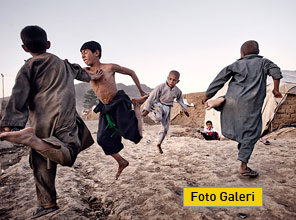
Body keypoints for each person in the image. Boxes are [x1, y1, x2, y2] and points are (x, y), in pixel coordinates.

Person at [0, 26, 102, 218]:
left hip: (40, 121)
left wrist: (11, 123)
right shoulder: (63, 64)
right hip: (65, 119)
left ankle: (47, 205)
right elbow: (80, 72)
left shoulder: (28, 67)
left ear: (24, 48)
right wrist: (94, 76)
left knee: (41, 162)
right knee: (69, 151)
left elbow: (19, 94)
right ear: (48, 44)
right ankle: (35, 142)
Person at [202, 40, 282, 177]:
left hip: (233, 101)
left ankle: (220, 102)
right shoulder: (264, 63)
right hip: (250, 105)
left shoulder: (236, 64)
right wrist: (276, 90)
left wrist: (208, 94)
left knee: (237, 121)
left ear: (242, 53)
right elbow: (276, 72)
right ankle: (244, 167)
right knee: (252, 133)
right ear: (257, 52)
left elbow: (219, 79)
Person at [80, 41, 148, 180]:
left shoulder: (109, 67)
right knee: (102, 139)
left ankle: (137, 105)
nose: (83, 56)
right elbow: (71, 71)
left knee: (133, 135)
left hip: (118, 103)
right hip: (105, 107)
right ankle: (121, 161)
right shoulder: (85, 71)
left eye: (85, 52)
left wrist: (141, 90)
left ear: (96, 52)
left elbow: (131, 72)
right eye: (81, 54)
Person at [142, 70, 189, 154]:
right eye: (170, 79)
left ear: (177, 81)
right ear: (167, 78)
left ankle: (158, 144)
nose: (171, 81)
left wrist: (185, 110)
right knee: (158, 117)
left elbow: (180, 100)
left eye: (174, 80)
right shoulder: (160, 87)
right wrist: (146, 109)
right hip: (158, 104)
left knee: (165, 128)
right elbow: (151, 97)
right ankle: (149, 111)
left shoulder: (178, 91)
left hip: (168, 108)